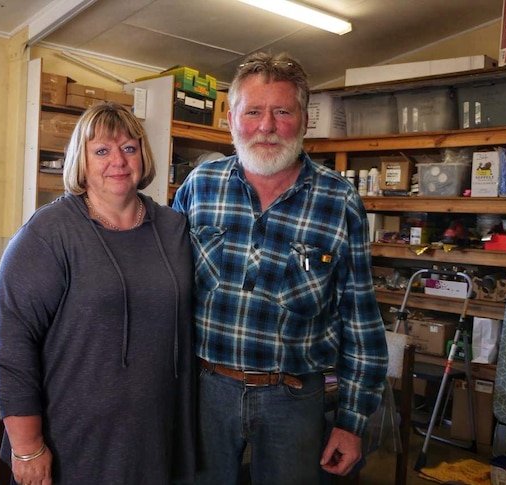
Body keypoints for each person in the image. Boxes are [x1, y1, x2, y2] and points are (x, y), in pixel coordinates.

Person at [172, 52, 388, 484]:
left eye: (282, 112)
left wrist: (352, 421)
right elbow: (160, 284)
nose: (266, 126)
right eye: (253, 111)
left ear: (304, 120)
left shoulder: (338, 200)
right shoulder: (200, 187)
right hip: (205, 392)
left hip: (294, 397)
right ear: (231, 119)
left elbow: (360, 319)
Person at [0, 101, 196, 484]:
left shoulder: (173, 228)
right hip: (75, 436)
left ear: (143, 155)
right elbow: (13, 344)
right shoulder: (49, 233)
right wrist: (28, 446)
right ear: (81, 161)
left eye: (129, 148)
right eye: (101, 150)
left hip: (157, 431)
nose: (117, 160)